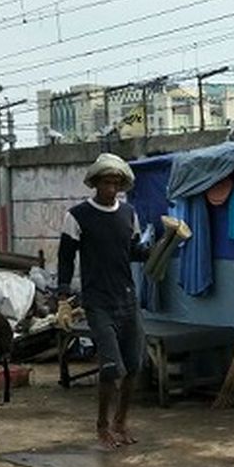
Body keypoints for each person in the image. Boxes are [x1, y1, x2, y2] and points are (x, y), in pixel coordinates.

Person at [56, 153, 150, 450]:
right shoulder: (78, 216)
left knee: (134, 366)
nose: (111, 188)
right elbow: (66, 259)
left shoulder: (129, 214)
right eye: (106, 182)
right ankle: (101, 426)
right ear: (95, 183)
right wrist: (62, 298)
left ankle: (121, 422)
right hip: (98, 302)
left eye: (116, 183)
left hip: (127, 299)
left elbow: (132, 251)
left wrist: (156, 248)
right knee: (111, 367)